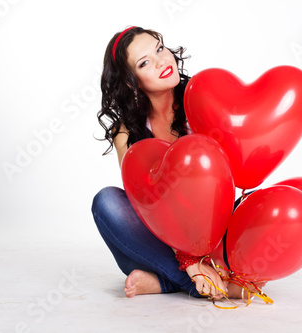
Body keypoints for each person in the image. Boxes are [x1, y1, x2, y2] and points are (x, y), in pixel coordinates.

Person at [91, 26, 262, 300]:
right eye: (145, 62)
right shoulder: (126, 133)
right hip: (162, 244)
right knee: (106, 202)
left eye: (159, 49)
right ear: (130, 82)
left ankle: (166, 282)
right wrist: (189, 261)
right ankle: (198, 282)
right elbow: (144, 206)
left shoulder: (203, 100)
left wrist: (206, 251)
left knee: (262, 207)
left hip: (216, 231)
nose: (161, 61)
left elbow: (231, 178)